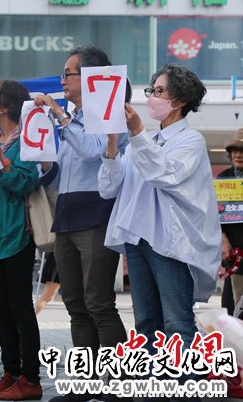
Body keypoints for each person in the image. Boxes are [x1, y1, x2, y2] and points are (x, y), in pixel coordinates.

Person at [98, 63, 221, 389]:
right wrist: (113, 144)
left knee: (177, 321)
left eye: (159, 91)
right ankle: (155, 387)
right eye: (151, 90)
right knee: (146, 321)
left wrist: (137, 135)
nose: (151, 97)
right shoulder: (146, 139)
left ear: (178, 100)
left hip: (169, 242)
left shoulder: (190, 141)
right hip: (138, 240)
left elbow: (165, 174)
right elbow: (109, 188)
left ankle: (184, 389)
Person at [34, 46, 128, 398]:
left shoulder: (109, 115)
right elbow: (60, 174)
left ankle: (118, 384)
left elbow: (94, 151)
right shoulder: (68, 120)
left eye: (67, 73)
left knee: (98, 300)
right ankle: (85, 384)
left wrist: (60, 116)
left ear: (90, 77)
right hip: (67, 214)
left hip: (98, 215)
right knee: (74, 302)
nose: (62, 80)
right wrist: (42, 163)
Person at [0, 79, 42, 400]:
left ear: (5, 105)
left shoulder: (24, 142)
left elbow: (25, 181)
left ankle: (31, 378)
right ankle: (10, 372)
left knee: (20, 308)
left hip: (16, 234)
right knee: (1, 309)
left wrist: (0, 158)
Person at [219, 129, 243, 313]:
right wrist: (223, 239)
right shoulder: (223, 178)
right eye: (234, 150)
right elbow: (214, 214)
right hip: (234, 254)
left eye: (242, 150)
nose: (238, 154)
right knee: (229, 307)